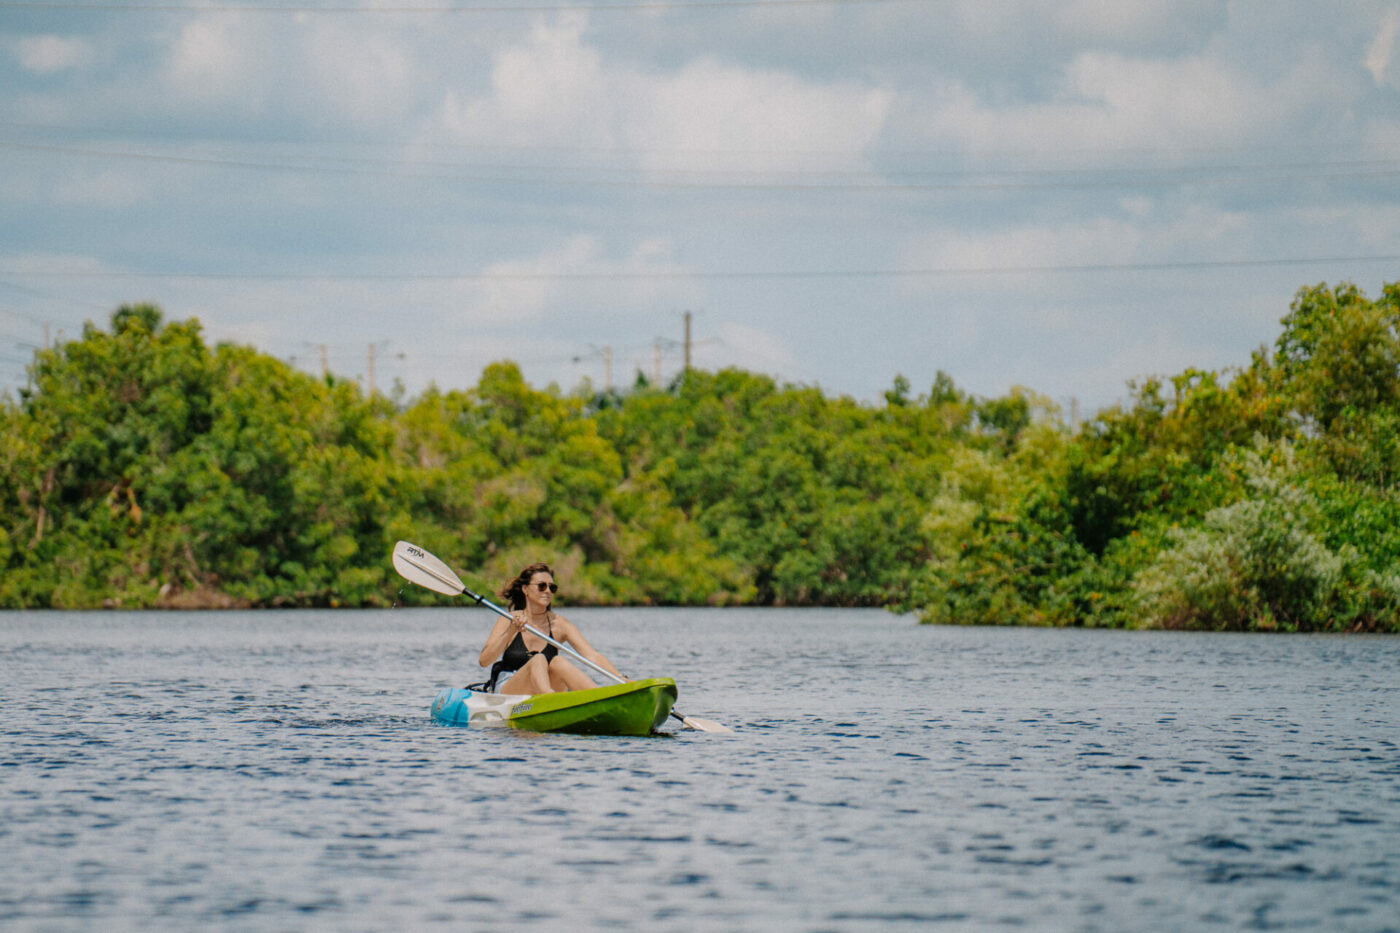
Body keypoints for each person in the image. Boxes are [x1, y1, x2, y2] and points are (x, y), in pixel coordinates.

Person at [478, 562, 626, 695]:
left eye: (552, 587)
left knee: (558, 662)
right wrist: (511, 630)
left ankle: (599, 698)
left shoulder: (560, 624)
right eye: (541, 586)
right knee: (538, 659)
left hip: (548, 686)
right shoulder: (508, 619)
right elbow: (484, 661)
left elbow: (592, 656)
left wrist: (622, 679)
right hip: (510, 688)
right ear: (525, 589)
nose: (548, 591)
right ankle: (548, 698)